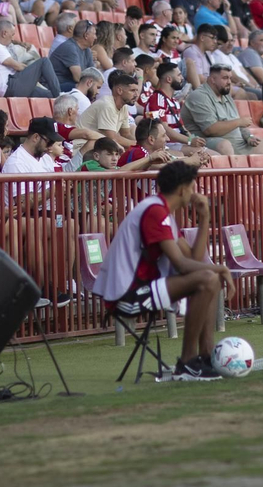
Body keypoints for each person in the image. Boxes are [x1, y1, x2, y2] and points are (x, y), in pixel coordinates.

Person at [95, 160, 233, 381]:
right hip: (126, 295)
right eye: (192, 186)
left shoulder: (161, 211)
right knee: (209, 278)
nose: (194, 192)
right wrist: (220, 268)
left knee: (210, 278)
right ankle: (187, 362)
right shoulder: (154, 212)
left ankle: (206, 357)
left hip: (141, 288)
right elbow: (181, 264)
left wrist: (205, 217)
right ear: (182, 189)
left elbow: (192, 258)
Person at [183, 65, 261, 156]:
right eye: (225, 78)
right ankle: (231, 169)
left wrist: (249, 137)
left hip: (238, 143)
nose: (229, 82)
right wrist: (239, 122)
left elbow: (238, 122)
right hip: (209, 142)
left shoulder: (225, 95)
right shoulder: (200, 96)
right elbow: (210, 130)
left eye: (230, 78)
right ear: (213, 79)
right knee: (225, 146)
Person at [0, 17, 61, 99]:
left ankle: (57, 96)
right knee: (44, 62)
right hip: (10, 87)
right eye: (12, 35)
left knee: (49, 95)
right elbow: (18, 66)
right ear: (4, 33)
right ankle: (59, 96)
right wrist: (35, 73)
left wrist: (34, 74)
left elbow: (18, 66)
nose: (13, 38)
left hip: (14, 84)